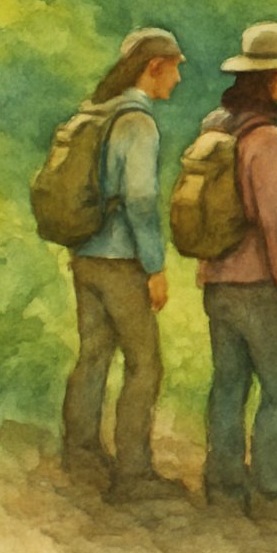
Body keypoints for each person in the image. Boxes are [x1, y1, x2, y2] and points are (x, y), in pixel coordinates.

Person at [62, 27, 185, 502]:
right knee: (144, 365)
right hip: (119, 262)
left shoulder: (96, 112)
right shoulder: (138, 122)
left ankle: (81, 456)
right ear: (153, 66)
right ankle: (133, 473)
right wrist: (154, 266)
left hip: (84, 256)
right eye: (174, 68)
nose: (176, 79)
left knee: (92, 356)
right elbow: (138, 199)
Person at [197, 22, 277, 520]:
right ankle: (269, 489)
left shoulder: (215, 125)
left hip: (216, 282)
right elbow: (273, 221)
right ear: (268, 79)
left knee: (228, 384)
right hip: (258, 284)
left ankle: (223, 486)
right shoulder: (266, 138)